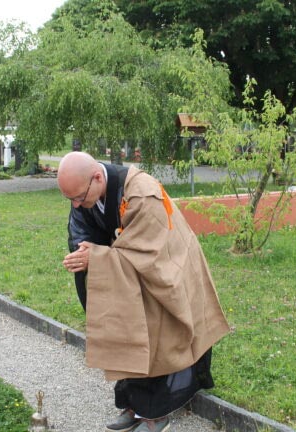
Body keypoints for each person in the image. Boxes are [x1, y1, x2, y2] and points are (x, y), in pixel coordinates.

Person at [58, 151, 230, 432]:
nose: (77, 205)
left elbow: (146, 252)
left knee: (158, 335)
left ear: (97, 178)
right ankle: (134, 405)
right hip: (129, 275)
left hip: (166, 269)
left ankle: (155, 414)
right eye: (71, 200)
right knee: (126, 330)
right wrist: (84, 251)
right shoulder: (86, 192)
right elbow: (82, 231)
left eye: (79, 198)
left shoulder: (142, 193)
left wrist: (98, 258)